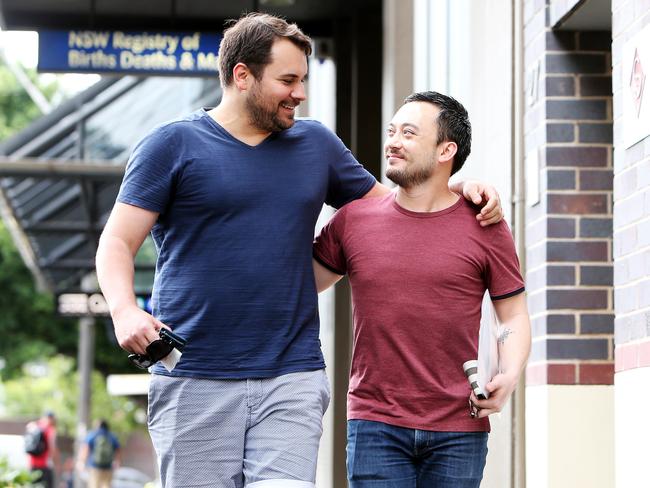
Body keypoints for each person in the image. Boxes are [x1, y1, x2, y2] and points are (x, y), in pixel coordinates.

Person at [95, 13, 503, 488]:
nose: (301, 93)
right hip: (195, 375)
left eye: (304, 79)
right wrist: (124, 311)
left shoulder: (315, 144)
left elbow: (394, 213)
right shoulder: (172, 145)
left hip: (292, 374)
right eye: (287, 80)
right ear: (242, 76)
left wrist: (457, 188)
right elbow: (118, 241)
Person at [313, 91, 532, 488]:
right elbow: (300, 285)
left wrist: (510, 373)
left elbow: (512, 314)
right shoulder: (353, 221)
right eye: (392, 131)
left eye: (409, 133)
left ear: (446, 149)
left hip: (459, 426)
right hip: (375, 423)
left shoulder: (485, 223)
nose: (393, 141)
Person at [77, 419, 121, 488]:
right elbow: (118, 450)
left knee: (94, 486)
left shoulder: (93, 435)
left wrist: (81, 462)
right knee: (107, 486)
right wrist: (117, 462)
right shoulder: (112, 436)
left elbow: (86, 448)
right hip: (108, 467)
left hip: (94, 467)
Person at [25, 411, 59, 488]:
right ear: (51, 418)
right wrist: (56, 464)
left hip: (32, 465)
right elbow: (52, 448)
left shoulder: (33, 426)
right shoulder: (50, 429)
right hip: (45, 465)